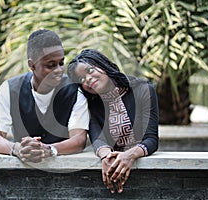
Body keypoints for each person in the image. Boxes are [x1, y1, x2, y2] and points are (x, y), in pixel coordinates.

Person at [0, 29, 89, 163]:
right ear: (32, 65)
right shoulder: (9, 90)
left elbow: (79, 140)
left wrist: (49, 149)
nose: (58, 70)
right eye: (51, 65)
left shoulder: (75, 90)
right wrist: (16, 149)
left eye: (61, 63)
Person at [67, 49, 159, 193]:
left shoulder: (143, 89)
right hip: (110, 173)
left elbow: (151, 139)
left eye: (90, 70)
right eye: (81, 79)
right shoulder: (92, 102)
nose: (88, 79)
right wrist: (106, 157)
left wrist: (129, 155)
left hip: (148, 175)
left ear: (103, 65)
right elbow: (97, 137)